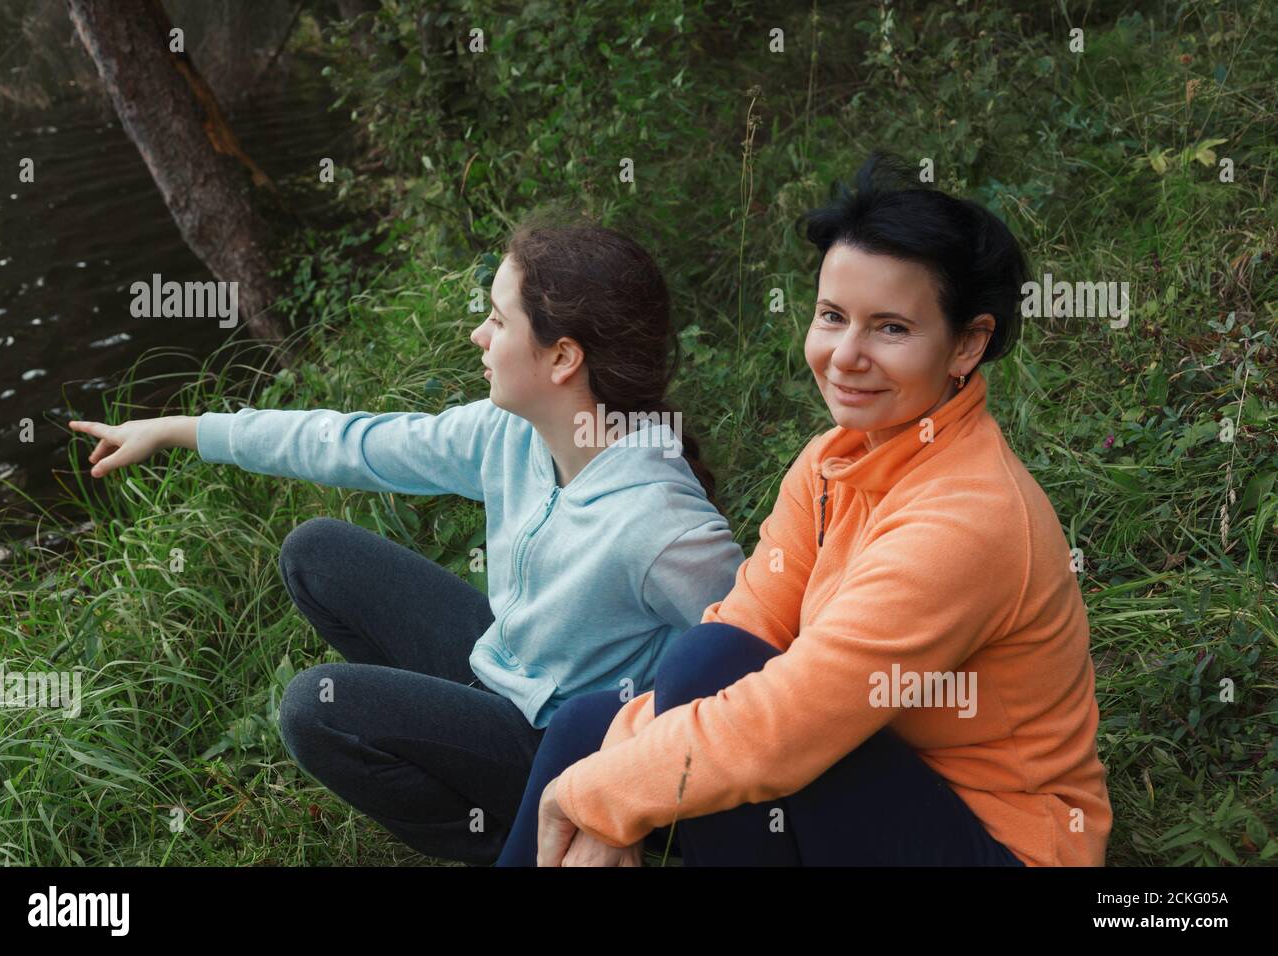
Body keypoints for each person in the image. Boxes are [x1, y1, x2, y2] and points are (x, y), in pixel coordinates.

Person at [67, 210, 745, 865]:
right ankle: (500, 797)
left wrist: (625, 794)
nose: (479, 335)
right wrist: (186, 430)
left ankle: (531, 837)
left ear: (563, 357)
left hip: (565, 745)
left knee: (315, 709)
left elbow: (753, 672)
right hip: (506, 670)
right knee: (316, 554)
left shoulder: (659, 523)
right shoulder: (511, 431)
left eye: (498, 320)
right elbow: (356, 443)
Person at [498, 152, 1113, 867]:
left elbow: (790, 723)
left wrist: (605, 800)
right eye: (832, 317)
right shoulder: (833, 459)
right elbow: (746, 628)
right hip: (868, 768)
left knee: (677, 710)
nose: (845, 355)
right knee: (595, 721)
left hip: (995, 843)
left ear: (967, 344)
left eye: (890, 328)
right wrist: (609, 771)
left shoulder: (967, 519)